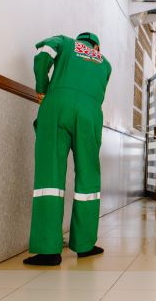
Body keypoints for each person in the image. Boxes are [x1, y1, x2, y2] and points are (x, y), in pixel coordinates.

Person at [23, 32, 111, 266]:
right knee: (88, 177)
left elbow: (44, 53)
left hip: (57, 106)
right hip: (90, 115)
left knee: (49, 178)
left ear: (79, 40)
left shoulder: (65, 42)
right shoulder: (105, 63)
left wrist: (41, 86)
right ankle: (85, 245)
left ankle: (48, 250)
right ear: (97, 47)